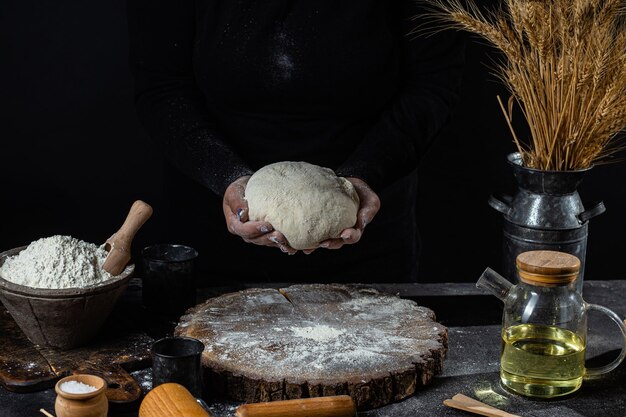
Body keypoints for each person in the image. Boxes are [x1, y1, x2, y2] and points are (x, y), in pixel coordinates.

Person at [127, 1, 465, 283]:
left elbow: (433, 84)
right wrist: (226, 177)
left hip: (367, 235)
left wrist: (366, 174)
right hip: (214, 236)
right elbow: (161, 87)